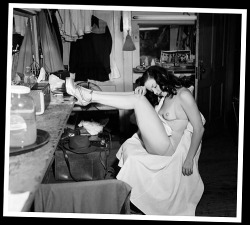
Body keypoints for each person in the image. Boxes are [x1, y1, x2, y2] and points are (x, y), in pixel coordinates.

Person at [65, 65, 205, 216]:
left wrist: (189, 159)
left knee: (138, 100)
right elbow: (135, 119)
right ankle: (88, 95)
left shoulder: (183, 95)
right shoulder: (165, 96)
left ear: (163, 77)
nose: (156, 92)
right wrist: (143, 93)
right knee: (137, 98)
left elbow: (199, 129)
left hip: (168, 149)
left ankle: (88, 96)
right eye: (153, 90)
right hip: (160, 142)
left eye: (155, 86)